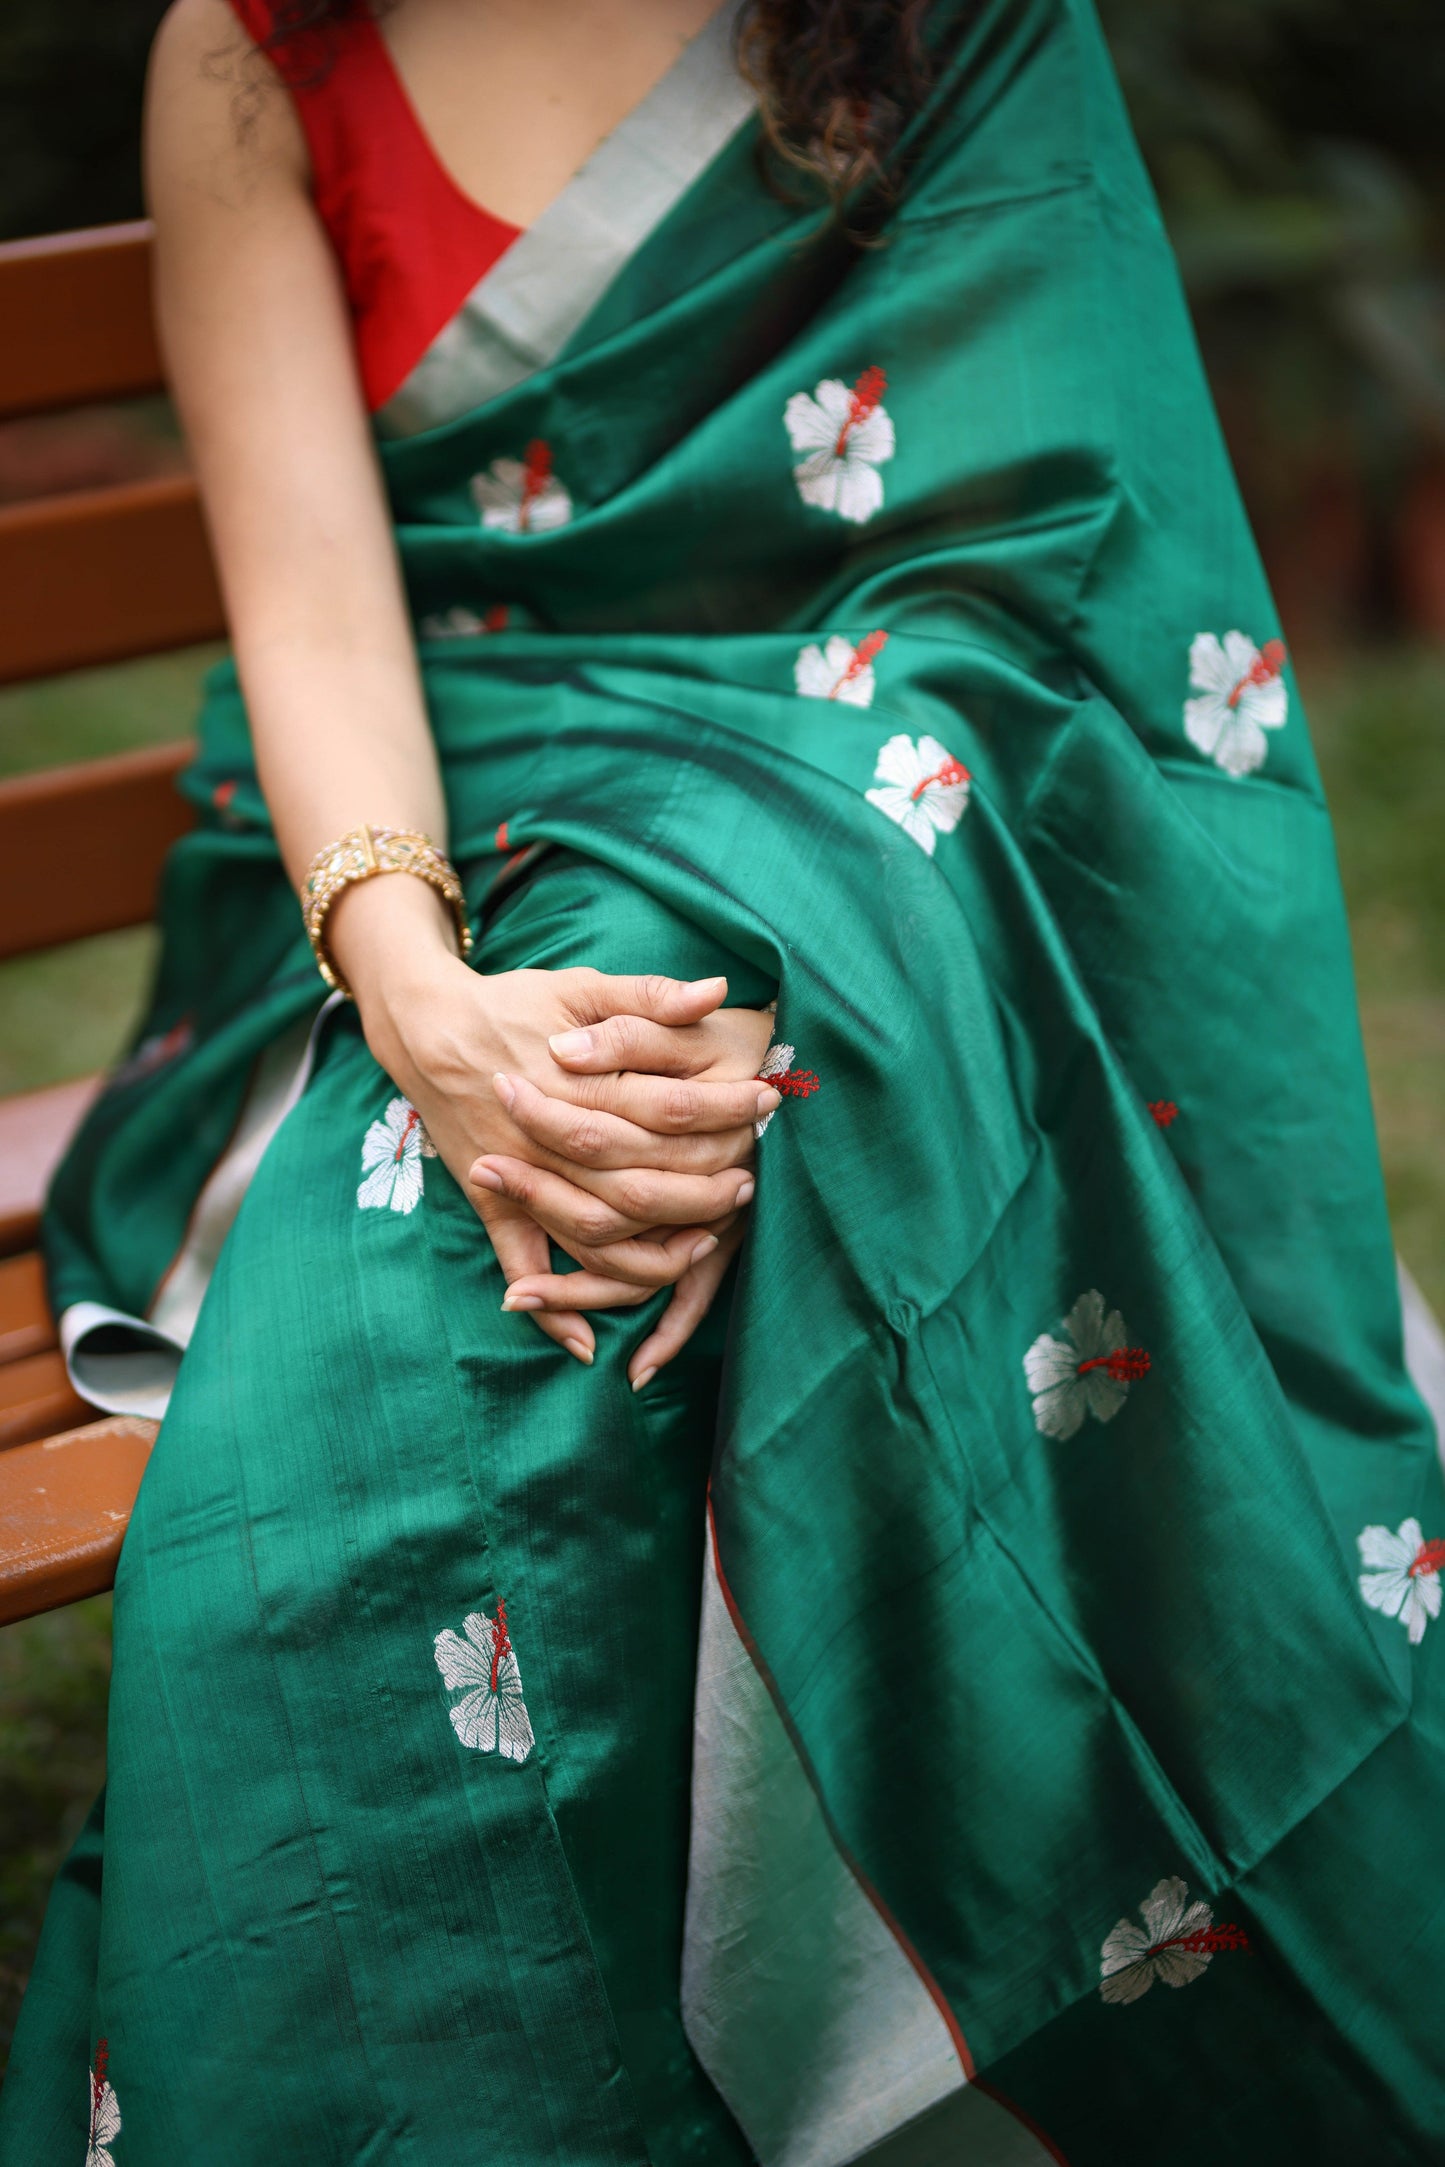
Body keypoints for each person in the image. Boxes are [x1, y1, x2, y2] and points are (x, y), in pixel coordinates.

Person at [2, 0, 1443, 2159]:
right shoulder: (256, 50)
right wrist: (429, 1006)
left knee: (684, 1071)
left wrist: (788, 910)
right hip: (420, 859)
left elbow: (1025, 578)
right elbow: (314, 611)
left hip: (878, 839)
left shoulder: (938, 29)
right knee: (433, 1293)